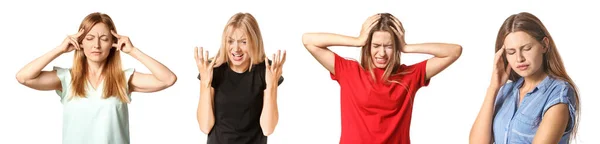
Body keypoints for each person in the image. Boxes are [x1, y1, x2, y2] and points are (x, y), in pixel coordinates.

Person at [15, 12, 177, 144]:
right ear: (80, 42)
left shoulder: (123, 79)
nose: (97, 45)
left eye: (104, 39)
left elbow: (168, 79)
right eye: (90, 38)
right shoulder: (66, 78)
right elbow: (23, 77)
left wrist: (133, 51)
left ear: (113, 43)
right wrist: (59, 49)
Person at [302, 13, 462, 144]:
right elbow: (309, 40)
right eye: (376, 46)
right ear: (367, 46)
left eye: (389, 46)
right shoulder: (349, 71)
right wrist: (357, 40)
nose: (382, 53)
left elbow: (454, 51)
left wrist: (406, 47)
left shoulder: (409, 76)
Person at [469, 12, 580, 144]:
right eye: (511, 52)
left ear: (544, 45)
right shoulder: (507, 91)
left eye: (526, 48)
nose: (519, 58)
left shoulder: (559, 93)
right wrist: (493, 89)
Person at [195, 12, 285, 144]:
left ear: (254, 42)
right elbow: (205, 126)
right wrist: (205, 83)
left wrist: (271, 86)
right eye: (230, 41)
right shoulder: (213, 69)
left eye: (244, 42)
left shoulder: (267, 71)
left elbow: (267, 129)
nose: (236, 49)